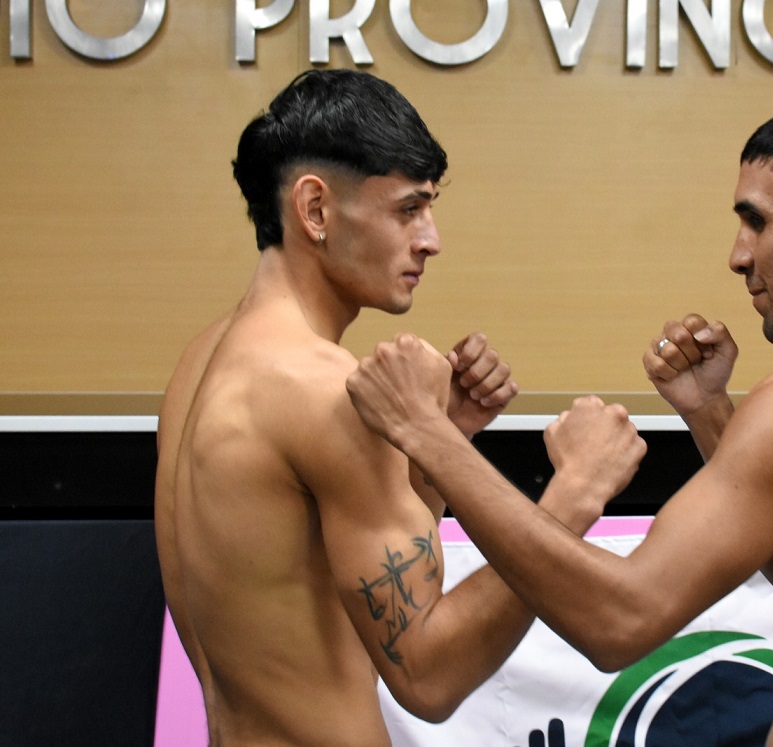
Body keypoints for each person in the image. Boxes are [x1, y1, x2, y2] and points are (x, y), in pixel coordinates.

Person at [345, 96, 773, 744]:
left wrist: (428, 434)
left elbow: (619, 621)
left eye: (757, 220)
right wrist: (711, 413)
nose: (738, 256)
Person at [153, 69, 646, 745]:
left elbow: (309, 595)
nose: (430, 239)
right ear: (316, 210)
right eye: (408, 210)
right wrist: (576, 490)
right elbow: (429, 676)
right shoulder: (323, 390)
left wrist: (437, 444)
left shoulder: (200, 362)